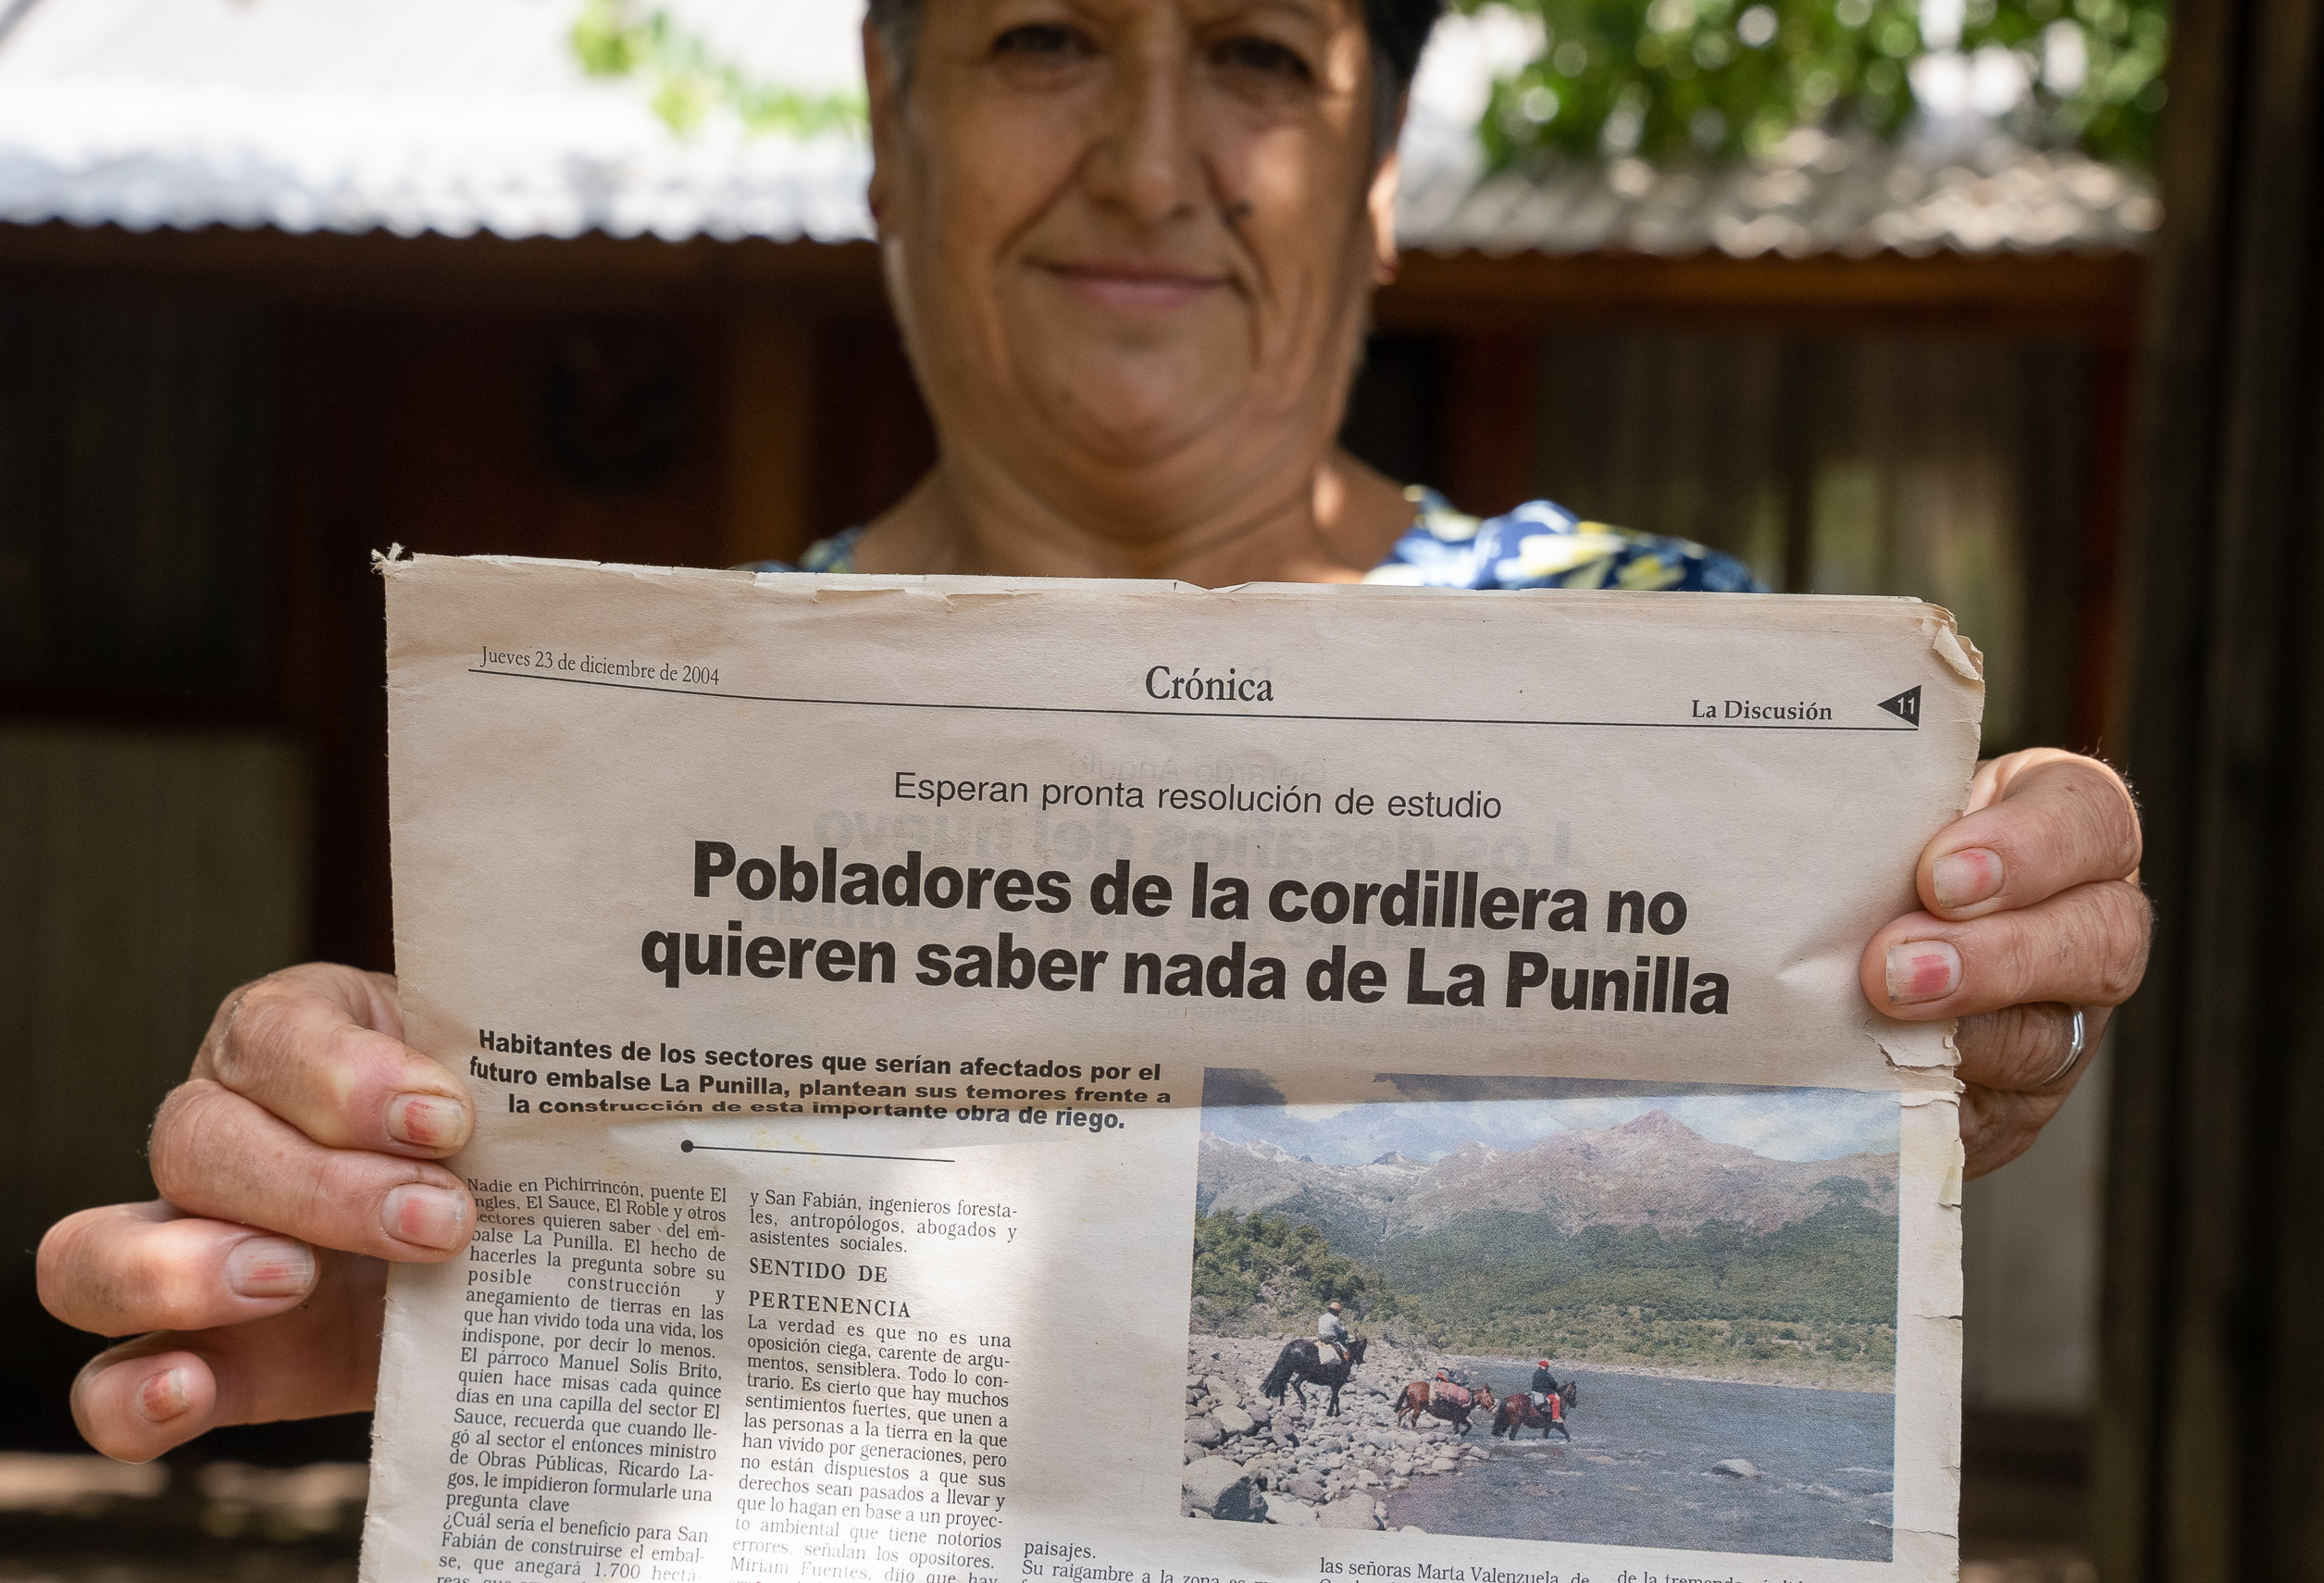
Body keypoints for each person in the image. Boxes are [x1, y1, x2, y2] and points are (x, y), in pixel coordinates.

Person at [33, 0, 2152, 1465]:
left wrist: (1972, 1006)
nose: (1148, 162)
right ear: (888, 127)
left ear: (1381, 165)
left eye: (1251, 53)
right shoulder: (653, 769)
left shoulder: (1692, 686)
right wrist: (394, 1265)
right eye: (1043, 35)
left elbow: (1891, 1102)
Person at [1528, 1359, 1566, 1424]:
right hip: (1543, 1392)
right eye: (1547, 1366)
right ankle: (1555, 1417)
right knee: (1556, 1399)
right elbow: (1553, 1383)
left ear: (1540, 1366)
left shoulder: (1536, 1373)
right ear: (1546, 1367)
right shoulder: (1546, 1374)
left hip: (1534, 1391)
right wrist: (1554, 1392)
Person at [1316, 1301, 1348, 1365]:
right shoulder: (1334, 1319)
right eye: (1337, 1312)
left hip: (1321, 1337)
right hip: (1330, 1338)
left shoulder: (1322, 1317)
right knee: (1344, 1350)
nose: (1337, 1313)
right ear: (1335, 1311)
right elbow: (1341, 1331)